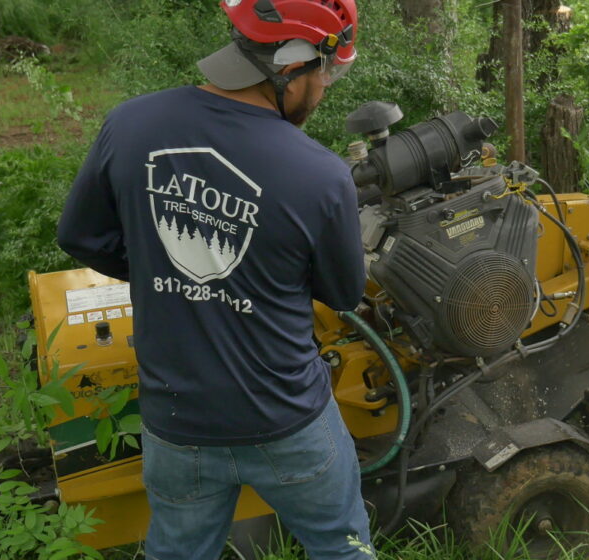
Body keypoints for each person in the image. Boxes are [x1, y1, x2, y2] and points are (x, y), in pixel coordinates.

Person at [55, 1, 371, 558]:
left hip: (177, 421)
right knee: (341, 549)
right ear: (291, 66)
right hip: (288, 421)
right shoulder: (321, 174)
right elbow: (344, 294)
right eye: (326, 72)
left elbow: (82, 237)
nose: (324, 89)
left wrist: (164, 271)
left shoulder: (130, 123)